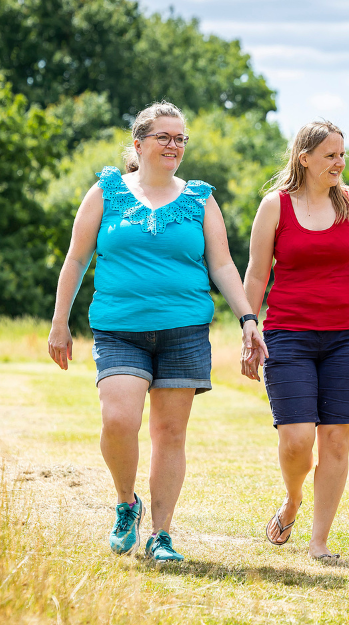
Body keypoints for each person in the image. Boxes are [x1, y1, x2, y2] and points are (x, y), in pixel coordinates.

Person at [47, 101, 267, 563]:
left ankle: (161, 534)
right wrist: (59, 321)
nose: (174, 145)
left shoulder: (200, 199)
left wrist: (249, 318)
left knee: (169, 433)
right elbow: (75, 258)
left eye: (181, 138)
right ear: (139, 143)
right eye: (165, 137)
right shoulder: (106, 191)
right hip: (119, 329)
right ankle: (126, 503)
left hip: (184, 331)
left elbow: (223, 264)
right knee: (119, 421)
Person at [242, 120, 349, 561]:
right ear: (304, 158)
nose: (339, 163)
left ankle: (319, 542)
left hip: (347, 335)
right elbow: (256, 272)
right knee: (296, 439)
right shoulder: (276, 206)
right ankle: (292, 499)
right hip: (288, 334)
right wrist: (249, 330)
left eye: (342, 154)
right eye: (330, 155)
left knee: (337, 440)